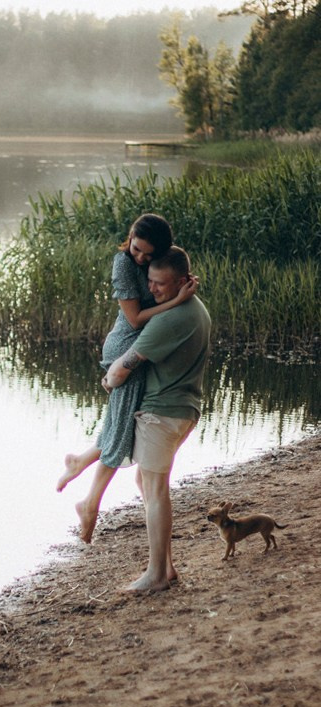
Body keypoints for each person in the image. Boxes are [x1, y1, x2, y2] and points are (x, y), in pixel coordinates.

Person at [57, 214, 197, 543]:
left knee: (122, 422)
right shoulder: (122, 264)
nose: (141, 258)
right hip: (126, 347)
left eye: (149, 254)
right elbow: (134, 319)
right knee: (121, 426)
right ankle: (90, 503)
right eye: (137, 249)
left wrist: (181, 284)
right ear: (130, 236)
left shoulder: (158, 260)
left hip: (140, 349)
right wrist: (178, 301)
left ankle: (81, 465)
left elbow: (171, 273)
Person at [98, 245, 211, 592]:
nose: (152, 289)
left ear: (181, 281)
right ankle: (167, 567)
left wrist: (109, 379)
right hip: (182, 410)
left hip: (162, 414)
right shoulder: (196, 309)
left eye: (160, 284)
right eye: (149, 281)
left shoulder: (169, 320)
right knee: (146, 483)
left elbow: (121, 370)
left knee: (155, 490)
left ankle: (156, 574)